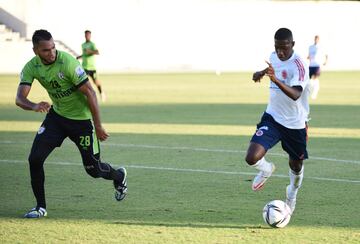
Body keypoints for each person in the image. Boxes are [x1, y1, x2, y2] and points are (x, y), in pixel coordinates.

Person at [16, 29, 127, 218]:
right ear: (35, 50)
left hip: (82, 122)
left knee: (94, 170)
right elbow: (20, 98)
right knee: (34, 159)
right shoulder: (31, 67)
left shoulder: (67, 62)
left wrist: (98, 126)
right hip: (56, 119)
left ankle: (119, 176)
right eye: (45, 50)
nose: (51, 53)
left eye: (53, 48)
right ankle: (40, 207)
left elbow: (90, 93)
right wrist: (34, 106)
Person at [245, 28, 310, 215]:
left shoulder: (299, 65)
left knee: (296, 166)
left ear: (292, 44)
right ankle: (266, 170)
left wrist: (274, 79)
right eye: (277, 47)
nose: (280, 52)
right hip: (273, 117)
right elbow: (273, 67)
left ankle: (292, 193)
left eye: (284, 48)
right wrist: (261, 73)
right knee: (251, 157)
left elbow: (296, 94)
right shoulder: (274, 56)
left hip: (295, 124)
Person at [76, 30, 106, 102]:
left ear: (90, 36)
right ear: (84, 35)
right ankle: (82, 97)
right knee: (82, 82)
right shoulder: (83, 45)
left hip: (92, 67)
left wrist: (90, 51)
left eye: (88, 35)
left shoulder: (92, 44)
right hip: (84, 67)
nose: (87, 36)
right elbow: (84, 54)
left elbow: (97, 52)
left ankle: (101, 93)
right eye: (86, 35)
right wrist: (80, 56)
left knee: (96, 82)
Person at [307, 35, 328, 99]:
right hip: (311, 65)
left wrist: (325, 61)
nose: (316, 40)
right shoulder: (310, 47)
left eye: (317, 39)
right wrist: (308, 57)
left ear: (319, 40)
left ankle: (314, 94)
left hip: (317, 65)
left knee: (315, 78)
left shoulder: (321, 47)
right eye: (315, 39)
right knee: (310, 80)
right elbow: (309, 55)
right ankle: (309, 93)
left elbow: (326, 55)